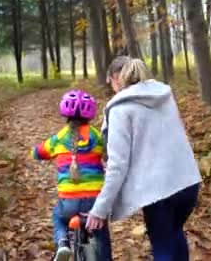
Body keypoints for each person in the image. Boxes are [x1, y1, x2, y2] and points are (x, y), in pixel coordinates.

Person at [85, 56, 202, 261]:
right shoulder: (164, 96)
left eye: (110, 82)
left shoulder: (121, 109)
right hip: (188, 181)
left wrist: (99, 210)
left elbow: (117, 166)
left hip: (159, 191)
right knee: (174, 233)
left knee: (163, 246)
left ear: (115, 78)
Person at [31, 90, 112, 261]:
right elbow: (107, 156)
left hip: (69, 203)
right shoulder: (96, 136)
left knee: (57, 216)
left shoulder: (59, 138)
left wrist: (38, 152)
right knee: (101, 230)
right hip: (95, 202)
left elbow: (38, 153)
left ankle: (62, 244)